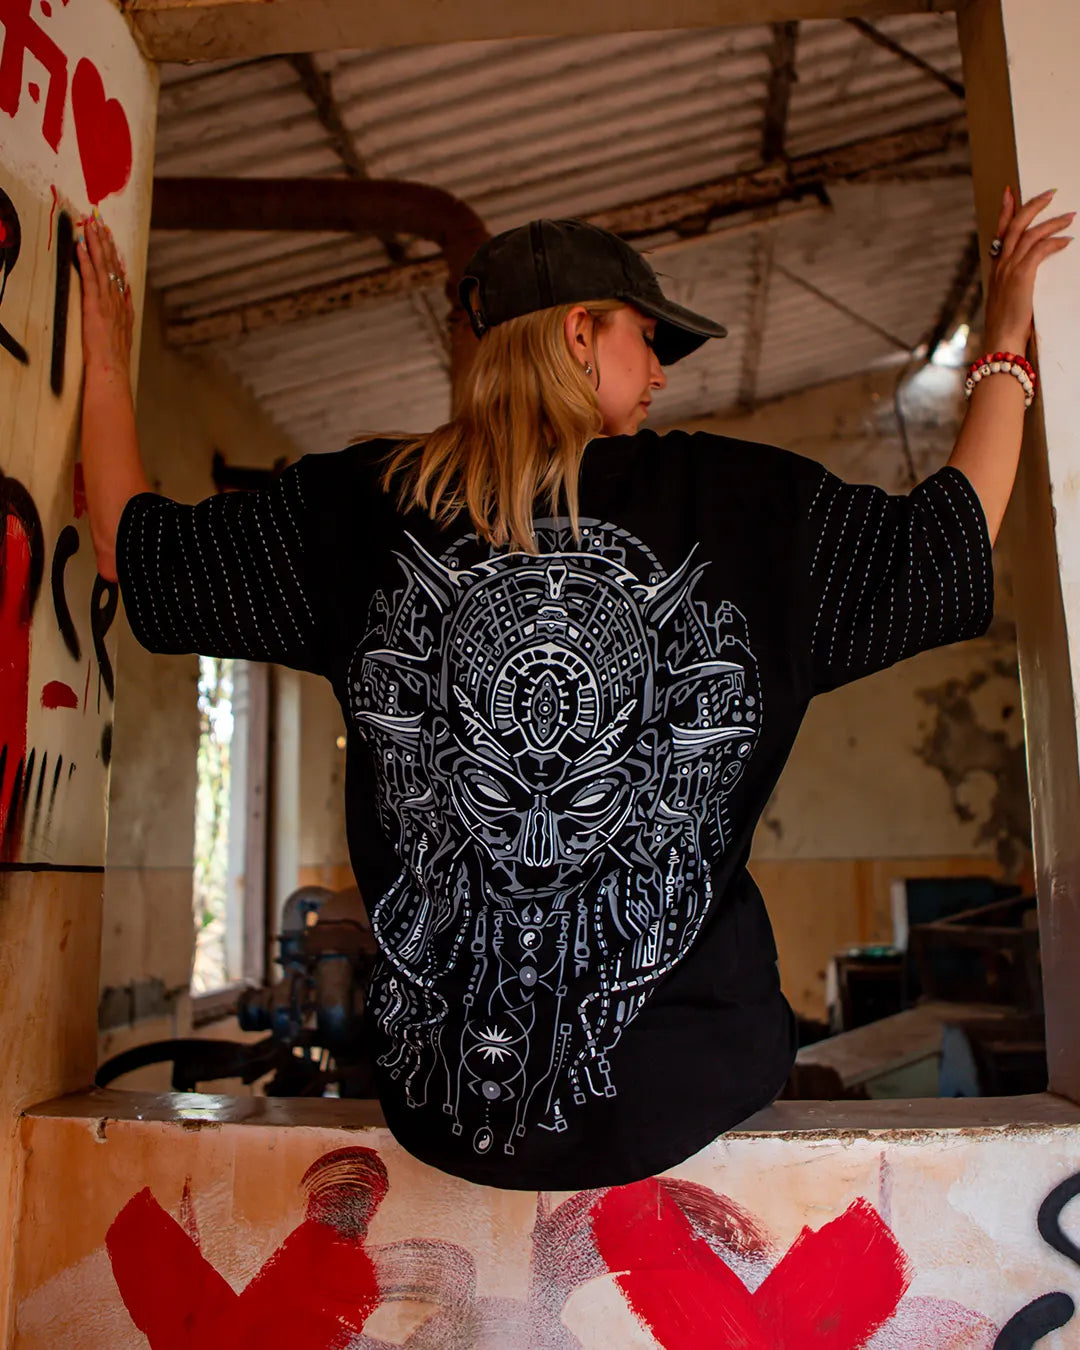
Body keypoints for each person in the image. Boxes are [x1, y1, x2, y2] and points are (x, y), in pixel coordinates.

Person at [78, 194, 1071, 1191]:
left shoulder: (358, 508)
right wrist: (1001, 351)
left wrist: (109, 377)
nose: (662, 371)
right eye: (648, 337)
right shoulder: (733, 501)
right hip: (692, 1095)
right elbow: (947, 542)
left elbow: (136, 548)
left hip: (442, 1111)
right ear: (578, 331)